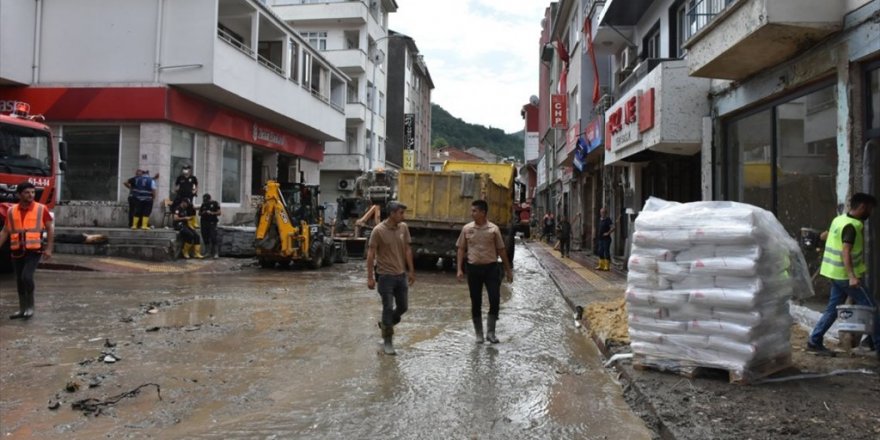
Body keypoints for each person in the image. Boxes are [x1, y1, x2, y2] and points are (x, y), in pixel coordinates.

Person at [808, 192, 879, 358]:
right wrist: (852, 276)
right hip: (845, 277)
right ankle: (877, 346)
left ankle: (814, 341)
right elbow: (845, 251)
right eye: (869, 209)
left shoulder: (838, 219)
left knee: (832, 310)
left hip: (834, 273)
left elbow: (827, 235)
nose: (871, 213)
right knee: (872, 309)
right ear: (862, 207)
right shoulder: (852, 226)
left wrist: (817, 238)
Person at [456, 199, 514, 344]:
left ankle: (491, 333)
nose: (472, 213)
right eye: (472, 210)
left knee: (494, 299)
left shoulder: (493, 230)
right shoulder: (467, 229)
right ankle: (479, 334)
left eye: (475, 211)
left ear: (483, 212)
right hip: (473, 269)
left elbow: (501, 250)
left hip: (491, 269)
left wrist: (508, 270)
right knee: (476, 301)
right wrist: (459, 269)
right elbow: (461, 249)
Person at [366, 201, 415, 355]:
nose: (403, 216)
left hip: (401, 275)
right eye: (401, 213)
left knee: (403, 307)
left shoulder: (403, 228)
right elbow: (371, 254)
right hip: (385, 276)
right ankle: (388, 341)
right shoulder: (378, 231)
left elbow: (407, 250)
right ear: (392, 213)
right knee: (387, 307)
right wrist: (370, 277)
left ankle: (386, 325)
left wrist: (411, 271)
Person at [0, 182, 54, 319]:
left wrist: (49, 248)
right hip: (17, 250)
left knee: (26, 277)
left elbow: (50, 228)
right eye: (27, 193)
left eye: (33, 192)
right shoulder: (12, 211)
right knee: (19, 280)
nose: (31, 195)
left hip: (34, 250)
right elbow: (5, 231)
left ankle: (30, 307)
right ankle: (22, 309)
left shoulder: (41, 209)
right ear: (19, 194)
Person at [198, 194, 222, 258]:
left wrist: (211, 213)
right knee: (205, 236)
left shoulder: (215, 203)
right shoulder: (203, 204)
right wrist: (204, 212)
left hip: (212, 222)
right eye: (205, 200)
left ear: (210, 198)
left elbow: (219, 212)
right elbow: (199, 213)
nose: (206, 201)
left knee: (213, 237)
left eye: (207, 200)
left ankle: (216, 253)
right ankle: (207, 252)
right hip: (204, 222)